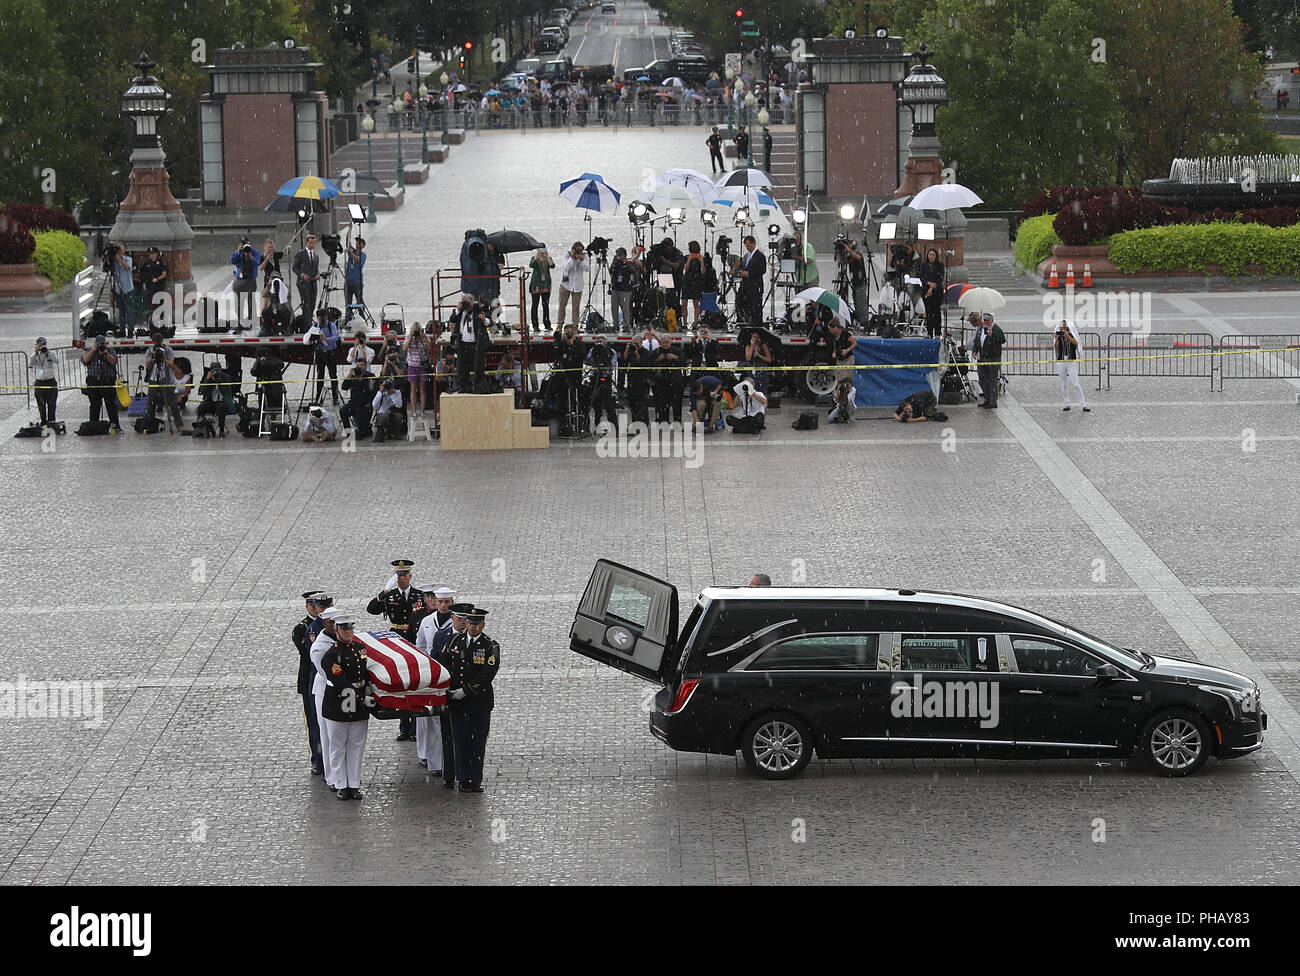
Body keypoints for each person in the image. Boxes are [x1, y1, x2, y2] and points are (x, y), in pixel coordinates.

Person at [446, 607, 500, 793]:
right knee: (459, 741)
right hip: (457, 703)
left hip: (479, 702)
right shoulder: (456, 641)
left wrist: (465, 691)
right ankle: (462, 779)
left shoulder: (490, 646)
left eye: (477, 624)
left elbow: (487, 674)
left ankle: (474, 779)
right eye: (470, 623)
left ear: (483, 625)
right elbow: (446, 665)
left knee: (477, 742)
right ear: (466, 623)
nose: (473, 627)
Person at [367, 559, 422, 740]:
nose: (401, 578)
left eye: (404, 574)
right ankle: (404, 726)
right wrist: (384, 591)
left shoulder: (419, 595)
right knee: (401, 682)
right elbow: (371, 609)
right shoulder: (390, 596)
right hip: (396, 638)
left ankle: (414, 726)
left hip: (412, 637)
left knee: (414, 680)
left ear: (410, 576)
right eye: (398, 575)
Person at [320, 615, 370, 801]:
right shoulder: (331, 656)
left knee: (357, 745)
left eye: (350, 629)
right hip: (338, 705)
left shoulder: (359, 649)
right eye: (344, 630)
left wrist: (370, 694)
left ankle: (354, 784)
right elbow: (339, 680)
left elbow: (365, 674)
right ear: (337, 631)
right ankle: (341, 784)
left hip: (359, 705)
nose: (348, 633)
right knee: (338, 747)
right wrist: (359, 696)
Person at [414, 585, 457, 775]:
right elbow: (420, 645)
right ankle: (429, 757)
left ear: (452, 603)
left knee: (445, 720)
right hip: (431, 674)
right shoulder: (426, 621)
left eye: (447, 602)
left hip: (451, 673)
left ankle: (447, 757)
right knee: (427, 719)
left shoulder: (457, 622)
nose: (443, 605)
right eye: (440, 602)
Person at [292, 591, 329, 776]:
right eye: (316, 606)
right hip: (310, 679)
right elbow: (308, 654)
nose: (319, 609)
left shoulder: (331, 624)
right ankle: (317, 759)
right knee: (313, 723)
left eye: (322, 606)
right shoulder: (302, 628)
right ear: (309, 606)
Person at [309, 606, 340, 791]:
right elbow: (327, 672)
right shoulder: (319, 646)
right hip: (325, 690)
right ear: (324, 623)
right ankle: (331, 777)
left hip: (341, 691)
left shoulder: (342, 637)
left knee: (340, 737)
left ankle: (342, 775)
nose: (335, 626)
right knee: (327, 735)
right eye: (332, 622)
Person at [142, 330, 184, 433]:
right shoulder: (149, 350)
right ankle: (149, 425)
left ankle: (179, 424)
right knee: (151, 404)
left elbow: (173, 364)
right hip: (154, 378)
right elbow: (147, 367)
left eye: (159, 341)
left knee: (173, 403)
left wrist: (164, 358)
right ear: (152, 341)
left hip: (166, 378)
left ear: (162, 341)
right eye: (155, 341)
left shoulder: (168, 350)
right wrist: (152, 358)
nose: (157, 343)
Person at [80, 335, 121, 433]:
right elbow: (84, 360)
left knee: (111, 405)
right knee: (94, 405)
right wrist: (93, 350)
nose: (100, 346)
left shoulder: (110, 350)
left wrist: (105, 354)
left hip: (108, 381)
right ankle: (93, 426)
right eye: (98, 344)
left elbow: (114, 361)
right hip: (94, 381)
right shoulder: (90, 350)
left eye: (102, 344)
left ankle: (115, 426)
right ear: (95, 344)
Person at [1055, 318, 1091, 412]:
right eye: (1062, 327)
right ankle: (1067, 403)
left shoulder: (1072, 335)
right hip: (1061, 361)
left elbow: (1076, 343)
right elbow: (1056, 348)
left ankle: (1083, 404)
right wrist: (1056, 339)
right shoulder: (1059, 336)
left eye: (1065, 327)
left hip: (1071, 361)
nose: (1063, 329)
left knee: (1076, 383)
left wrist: (1068, 336)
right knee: (1063, 383)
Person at [972, 312, 1006, 408]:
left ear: (992, 320)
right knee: (982, 378)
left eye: (988, 320)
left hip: (993, 358)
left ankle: (993, 401)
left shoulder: (996, 329)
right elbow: (976, 342)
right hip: (982, 358)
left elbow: (1002, 339)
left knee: (992, 380)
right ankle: (987, 398)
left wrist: (993, 334)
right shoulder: (980, 330)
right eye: (985, 320)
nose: (986, 322)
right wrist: (975, 351)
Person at [586, 334, 618, 431]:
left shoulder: (611, 351)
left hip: (606, 377)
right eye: (598, 340)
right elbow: (589, 360)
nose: (600, 342)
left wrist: (604, 358)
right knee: (596, 403)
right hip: (595, 377)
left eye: (602, 340)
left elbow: (612, 364)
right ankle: (597, 425)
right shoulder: (593, 350)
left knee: (608, 404)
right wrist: (596, 354)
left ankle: (614, 427)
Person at [229, 239, 261, 332]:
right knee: (238, 304)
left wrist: (251, 256)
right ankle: (240, 323)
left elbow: (257, 262)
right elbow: (233, 261)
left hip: (250, 280)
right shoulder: (240, 253)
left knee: (251, 303)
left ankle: (251, 322)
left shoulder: (254, 252)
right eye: (244, 245)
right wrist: (238, 251)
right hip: (239, 280)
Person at [339, 356, 376, 438]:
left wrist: (360, 379)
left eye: (362, 365)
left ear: (366, 366)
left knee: (362, 433)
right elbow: (344, 387)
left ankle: (366, 428)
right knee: (343, 410)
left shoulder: (370, 376)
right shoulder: (353, 377)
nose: (359, 367)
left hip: (364, 405)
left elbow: (371, 391)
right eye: (358, 365)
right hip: (354, 404)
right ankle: (348, 432)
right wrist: (349, 376)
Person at [556, 241, 590, 329]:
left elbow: (587, 269)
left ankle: (575, 325)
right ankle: (560, 324)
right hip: (566, 284)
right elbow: (565, 267)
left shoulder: (584, 255)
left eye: (581, 251)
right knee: (562, 305)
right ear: (573, 250)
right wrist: (572, 258)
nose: (579, 252)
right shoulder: (567, 255)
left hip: (578, 285)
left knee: (576, 307)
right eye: (577, 251)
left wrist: (581, 259)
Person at [735, 236, 766, 329]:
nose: (748, 248)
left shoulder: (760, 256)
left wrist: (749, 274)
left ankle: (756, 325)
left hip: (755, 285)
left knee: (756, 307)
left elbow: (762, 270)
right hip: (746, 286)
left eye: (749, 246)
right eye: (746, 246)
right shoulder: (747, 256)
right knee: (747, 306)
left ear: (754, 243)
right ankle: (748, 322)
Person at [311, 308, 341, 405]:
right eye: (319, 319)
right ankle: (318, 397)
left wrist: (326, 339)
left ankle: (335, 397)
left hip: (330, 352)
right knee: (320, 376)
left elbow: (335, 337)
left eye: (322, 319)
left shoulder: (330, 325)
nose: (321, 321)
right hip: (320, 352)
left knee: (333, 375)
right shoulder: (315, 325)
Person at [28, 336, 59, 428]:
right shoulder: (35, 355)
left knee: (52, 404)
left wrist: (48, 352)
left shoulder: (51, 353)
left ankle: (51, 423)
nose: (43, 346)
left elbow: (57, 361)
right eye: (41, 345)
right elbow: (30, 364)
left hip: (51, 381)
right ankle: (43, 423)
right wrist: (36, 351)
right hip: (40, 382)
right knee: (41, 405)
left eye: (44, 344)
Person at [405, 322, 432, 417]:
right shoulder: (409, 338)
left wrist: (424, 337)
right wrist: (410, 336)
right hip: (412, 365)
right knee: (413, 389)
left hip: (422, 366)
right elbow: (404, 348)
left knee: (422, 390)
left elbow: (430, 348)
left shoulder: (424, 338)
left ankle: (422, 411)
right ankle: (414, 411)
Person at [609, 247, 640, 331]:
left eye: (620, 255)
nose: (618, 257)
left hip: (625, 289)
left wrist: (627, 263)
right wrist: (613, 263)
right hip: (615, 288)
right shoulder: (616, 263)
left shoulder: (628, 263)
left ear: (624, 255)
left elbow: (634, 271)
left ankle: (627, 325)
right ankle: (615, 325)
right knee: (614, 307)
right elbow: (610, 271)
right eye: (617, 255)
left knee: (625, 308)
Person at [292, 234, 322, 317]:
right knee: (306, 304)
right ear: (306, 243)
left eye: (313, 243)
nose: (312, 244)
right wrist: (302, 275)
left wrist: (318, 274)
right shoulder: (300, 254)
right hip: (303, 283)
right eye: (310, 243)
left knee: (312, 303)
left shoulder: (316, 256)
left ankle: (309, 321)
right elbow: (294, 267)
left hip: (313, 283)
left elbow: (315, 269)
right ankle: (306, 323)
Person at [918, 247, 945, 338]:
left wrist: (933, 287)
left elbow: (940, 277)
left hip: (937, 292)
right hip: (926, 292)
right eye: (930, 255)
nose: (931, 257)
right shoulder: (923, 265)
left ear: (936, 256)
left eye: (933, 255)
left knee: (937, 312)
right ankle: (929, 332)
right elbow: (921, 277)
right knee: (928, 313)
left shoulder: (940, 265)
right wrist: (929, 284)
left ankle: (937, 332)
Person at [110, 245, 137, 337]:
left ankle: (130, 331)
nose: (120, 252)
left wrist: (120, 259)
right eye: (118, 251)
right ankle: (122, 330)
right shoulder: (113, 261)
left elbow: (127, 267)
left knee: (129, 311)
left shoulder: (128, 259)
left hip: (128, 289)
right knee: (121, 311)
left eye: (121, 250)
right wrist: (108, 259)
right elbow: (104, 269)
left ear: (124, 251)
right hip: (118, 290)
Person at [139, 247, 168, 329]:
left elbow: (164, 274)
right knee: (151, 305)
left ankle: (162, 323)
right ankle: (153, 322)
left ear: (156, 254)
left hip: (159, 286)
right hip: (150, 287)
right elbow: (142, 273)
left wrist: (157, 279)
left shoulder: (161, 262)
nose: (151, 255)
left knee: (160, 305)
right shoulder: (146, 263)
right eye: (150, 254)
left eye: (153, 254)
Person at [528, 246, 554, 333]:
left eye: (544, 250)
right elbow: (531, 264)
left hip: (545, 285)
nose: (542, 253)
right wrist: (537, 255)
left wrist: (547, 256)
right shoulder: (534, 259)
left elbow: (552, 265)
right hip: (536, 285)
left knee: (545, 305)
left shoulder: (548, 258)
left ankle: (547, 323)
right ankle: (535, 325)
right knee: (535, 305)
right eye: (541, 250)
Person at [741, 327, 773, 397]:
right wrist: (752, 346)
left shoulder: (763, 346)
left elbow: (769, 359)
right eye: (754, 337)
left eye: (757, 337)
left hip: (762, 369)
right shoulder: (748, 346)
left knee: (763, 391)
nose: (756, 339)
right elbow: (748, 358)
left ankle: (764, 407)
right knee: (752, 391)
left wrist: (759, 355)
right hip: (752, 369)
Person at [681, 242, 705, 329]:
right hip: (687, 281)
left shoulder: (701, 258)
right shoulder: (686, 257)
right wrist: (689, 259)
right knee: (684, 302)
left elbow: (703, 271)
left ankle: (695, 322)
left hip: (697, 281)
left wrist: (701, 261)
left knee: (696, 303)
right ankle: (685, 322)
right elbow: (685, 269)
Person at [343, 235, 366, 326]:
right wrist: (349, 230)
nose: (357, 244)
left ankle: (362, 318)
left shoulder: (363, 255)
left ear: (363, 245)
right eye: (357, 242)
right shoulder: (352, 250)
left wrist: (351, 254)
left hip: (357, 282)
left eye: (360, 242)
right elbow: (347, 241)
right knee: (348, 302)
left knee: (359, 301)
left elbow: (357, 259)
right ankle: (348, 319)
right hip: (348, 281)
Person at [260, 239, 284, 312]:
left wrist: (292, 243)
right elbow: (261, 268)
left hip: (277, 280)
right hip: (268, 281)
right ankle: (263, 319)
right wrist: (267, 259)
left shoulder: (275, 255)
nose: (270, 249)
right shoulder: (263, 257)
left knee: (277, 301)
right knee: (266, 304)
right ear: (265, 248)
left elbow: (285, 253)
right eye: (268, 247)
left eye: (271, 247)